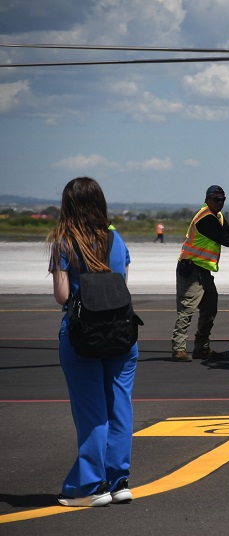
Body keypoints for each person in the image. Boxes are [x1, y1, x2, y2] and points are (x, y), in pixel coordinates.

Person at [47, 177, 138, 507]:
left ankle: (90, 485)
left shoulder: (64, 243)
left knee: (91, 412)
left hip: (82, 335)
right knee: (119, 406)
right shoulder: (116, 239)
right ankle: (119, 480)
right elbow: (122, 285)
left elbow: (62, 296)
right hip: (122, 334)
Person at [171, 185, 229, 362]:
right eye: (216, 199)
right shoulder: (205, 218)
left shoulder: (217, 216)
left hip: (204, 271)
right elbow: (225, 240)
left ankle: (201, 348)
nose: (220, 203)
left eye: (222, 200)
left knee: (210, 309)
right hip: (191, 270)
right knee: (186, 310)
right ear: (207, 200)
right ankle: (178, 349)